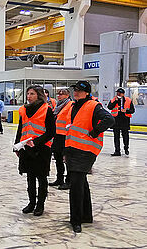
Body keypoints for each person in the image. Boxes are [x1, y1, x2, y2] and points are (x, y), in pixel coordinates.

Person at [65, 81, 114, 233]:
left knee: (76, 185)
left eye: (80, 90)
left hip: (85, 151)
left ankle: (76, 220)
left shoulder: (93, 105)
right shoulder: (74, 105)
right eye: (75, 90)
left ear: (87, 92)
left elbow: (110, 119)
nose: (76, 92)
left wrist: (95, 131)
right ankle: (86, 215)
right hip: (73, 149)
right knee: (81, 183)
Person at [14, 85, 55, 216]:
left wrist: (36, 142)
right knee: (30, 177)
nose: (28, 96)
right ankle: (31, 202)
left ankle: (40, 204)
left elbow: (51, 132)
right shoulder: (24, 110)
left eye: (32, 94)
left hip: (42, 148)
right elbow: (21, 128)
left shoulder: (46, 109)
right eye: (28, 94)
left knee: (41, 177)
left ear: (39, 95)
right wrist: (17, 145)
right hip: (26, 147)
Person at [49, 89, 73, 190]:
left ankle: (69, 181)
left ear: (67, 95)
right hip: (57, 135)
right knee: (58, 158)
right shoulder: (58, 105)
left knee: (66, 159)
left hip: (66, 135)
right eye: (58, 94)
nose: (59, 96)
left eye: (61, 94)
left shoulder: (70, 104)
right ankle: (59, 178)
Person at [107, 88, 135, 156]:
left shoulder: (128, 100)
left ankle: (126, 149)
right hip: (116, 120)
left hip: (125, 120)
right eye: (117, 93)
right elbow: (109, 107)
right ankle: (117, 151)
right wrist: (115, 102)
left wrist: (126, 111)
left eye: (119, 93)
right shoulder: (113, 99)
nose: (118, 94)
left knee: (125, 136)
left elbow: (132, 110)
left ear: (123, 94)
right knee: (116, 136)